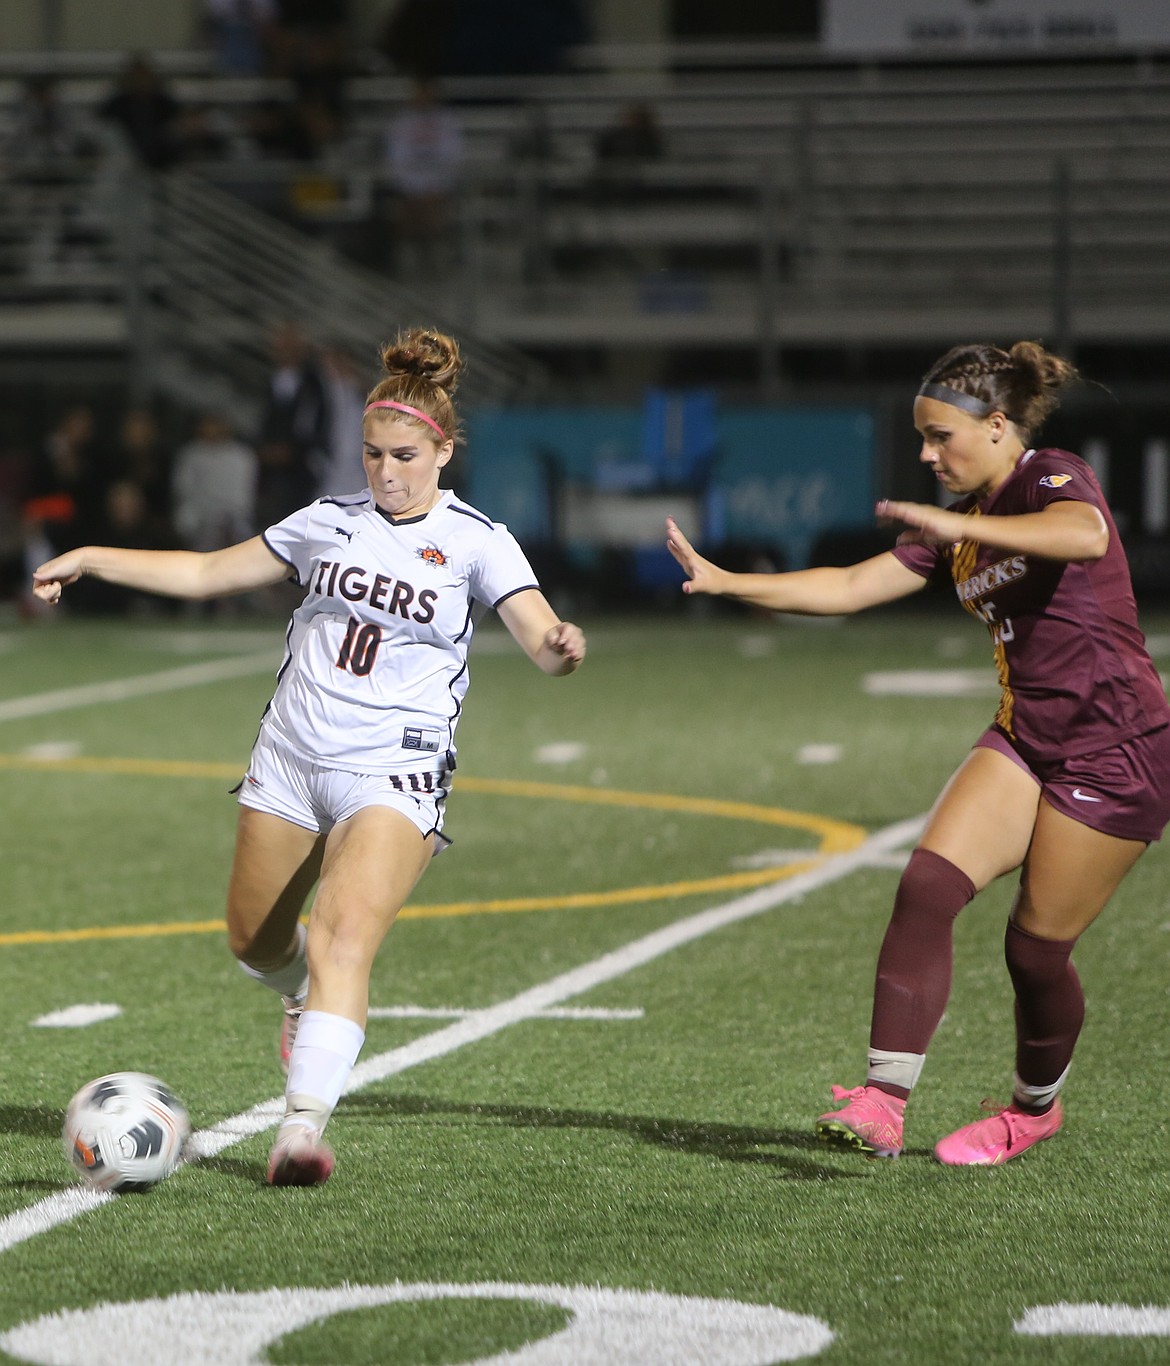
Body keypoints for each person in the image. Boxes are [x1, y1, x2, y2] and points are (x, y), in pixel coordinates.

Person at [33, 328, 586, 1186]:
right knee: (255, 942)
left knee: (341, 937)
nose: (386, 471)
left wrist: (558, 645)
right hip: (289, 758)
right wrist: (96, 557)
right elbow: (210, 571)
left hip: (393, 770)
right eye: (372, 453)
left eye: (404, 455)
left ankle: (300, 1130)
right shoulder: (325, 523)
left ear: (443, 451)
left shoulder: (479, 540)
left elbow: (536, 632)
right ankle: (297, 996)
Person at [666, 340, 1170, 1167]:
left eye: (942, 438)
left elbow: (1082, 535)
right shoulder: (961, 524)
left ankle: (1034, 1110)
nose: (929, 455)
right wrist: (730, 585)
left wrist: (956, 521)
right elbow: (855, 587)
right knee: (927, 885)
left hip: (1118, 753)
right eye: (922, 440)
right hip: (1025, 734)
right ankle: (882, 1103)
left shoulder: (1051, 477)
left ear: (999, 425)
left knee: (1034, 950)